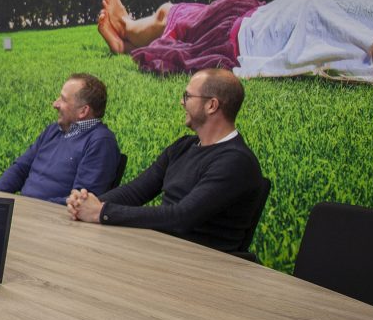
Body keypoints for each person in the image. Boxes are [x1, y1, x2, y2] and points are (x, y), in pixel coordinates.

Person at [97, 0, 373, 101]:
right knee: (170, 15)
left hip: (249, 37)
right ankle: (126, 36)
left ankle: (126, 27)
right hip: (262, 15)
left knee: (169, 14)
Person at [67, 68, 265, 253]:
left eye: (187, 96)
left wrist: (101, 211)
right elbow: (137, 191)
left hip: (202, 262)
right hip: (165, 249)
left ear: (211, 105)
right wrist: (88, 202)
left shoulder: (236, 162)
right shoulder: (184, 146)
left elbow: (181, 217)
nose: (181, 102)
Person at [0, 73, 121, 203]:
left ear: (83, 111)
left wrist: (32, 207)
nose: (55, 104)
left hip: (49, 214)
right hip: (27, 209)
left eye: (63, 100)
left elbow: (80, 201)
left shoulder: (101, 142)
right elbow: (20, 168)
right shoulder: (53, 130)